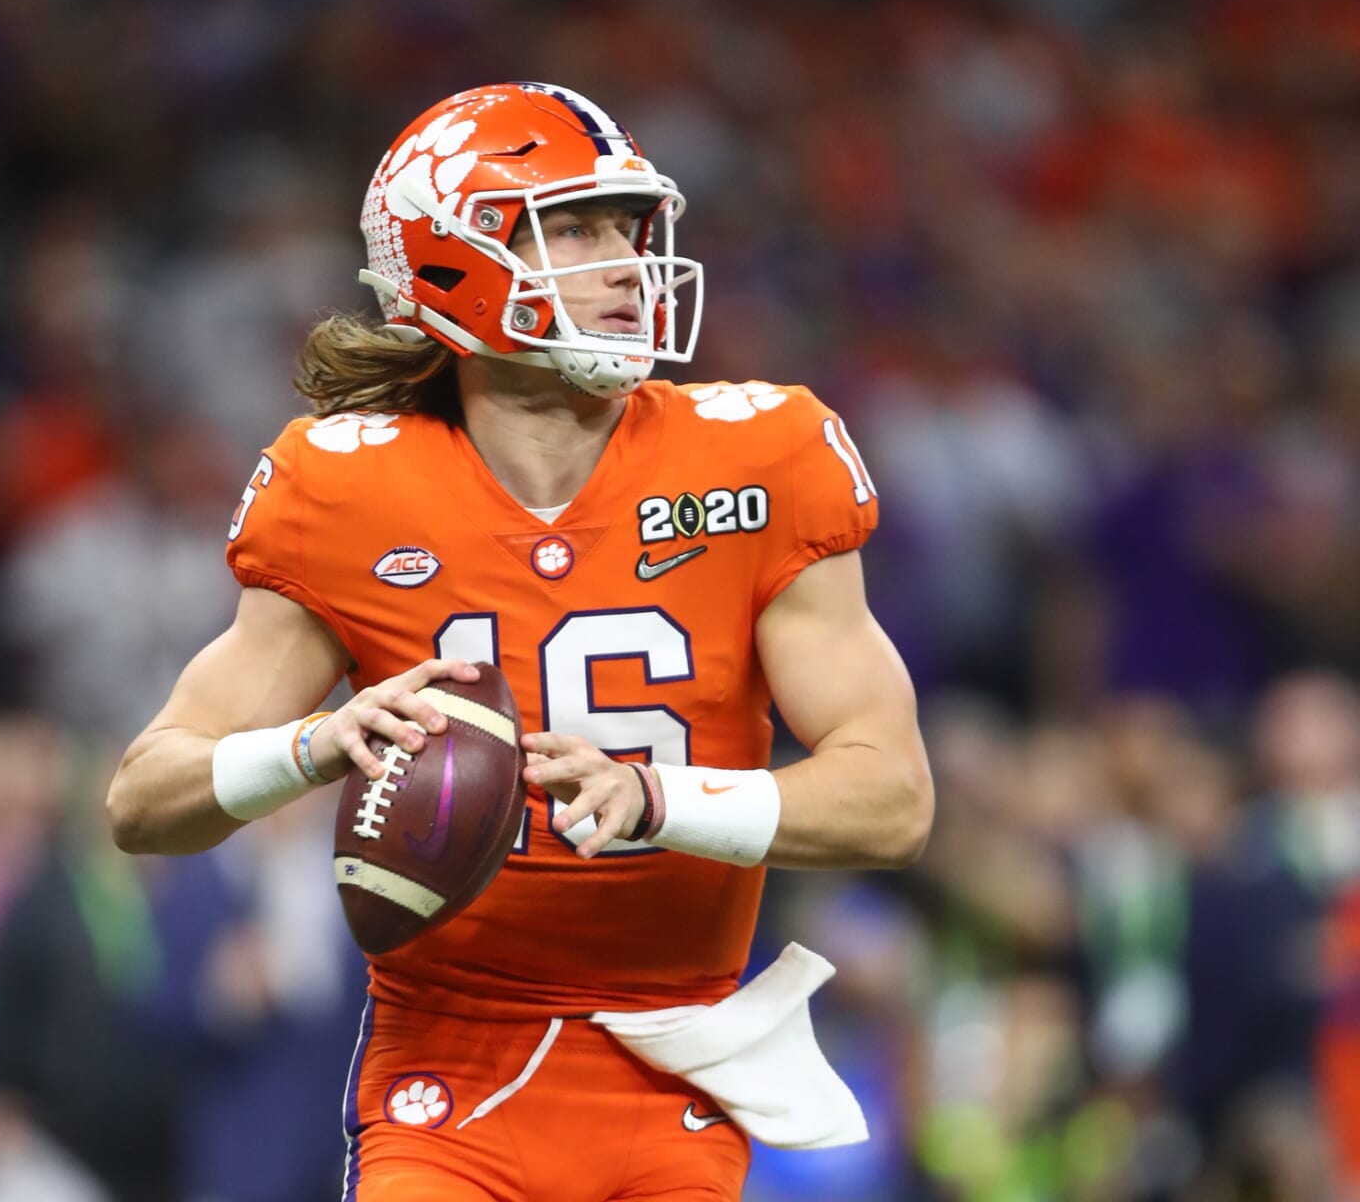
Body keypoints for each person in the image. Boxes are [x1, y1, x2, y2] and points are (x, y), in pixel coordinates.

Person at [107, 81, 935, 1202]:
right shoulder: (344, 485)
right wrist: (313, 745)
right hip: (448, 1079)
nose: (623, 262)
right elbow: (142, 801)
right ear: (454, 259)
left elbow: (893, 799)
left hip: (673, 1067)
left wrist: (658, 797)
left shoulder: (759, 458)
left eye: (628, 228)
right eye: (576, 227)